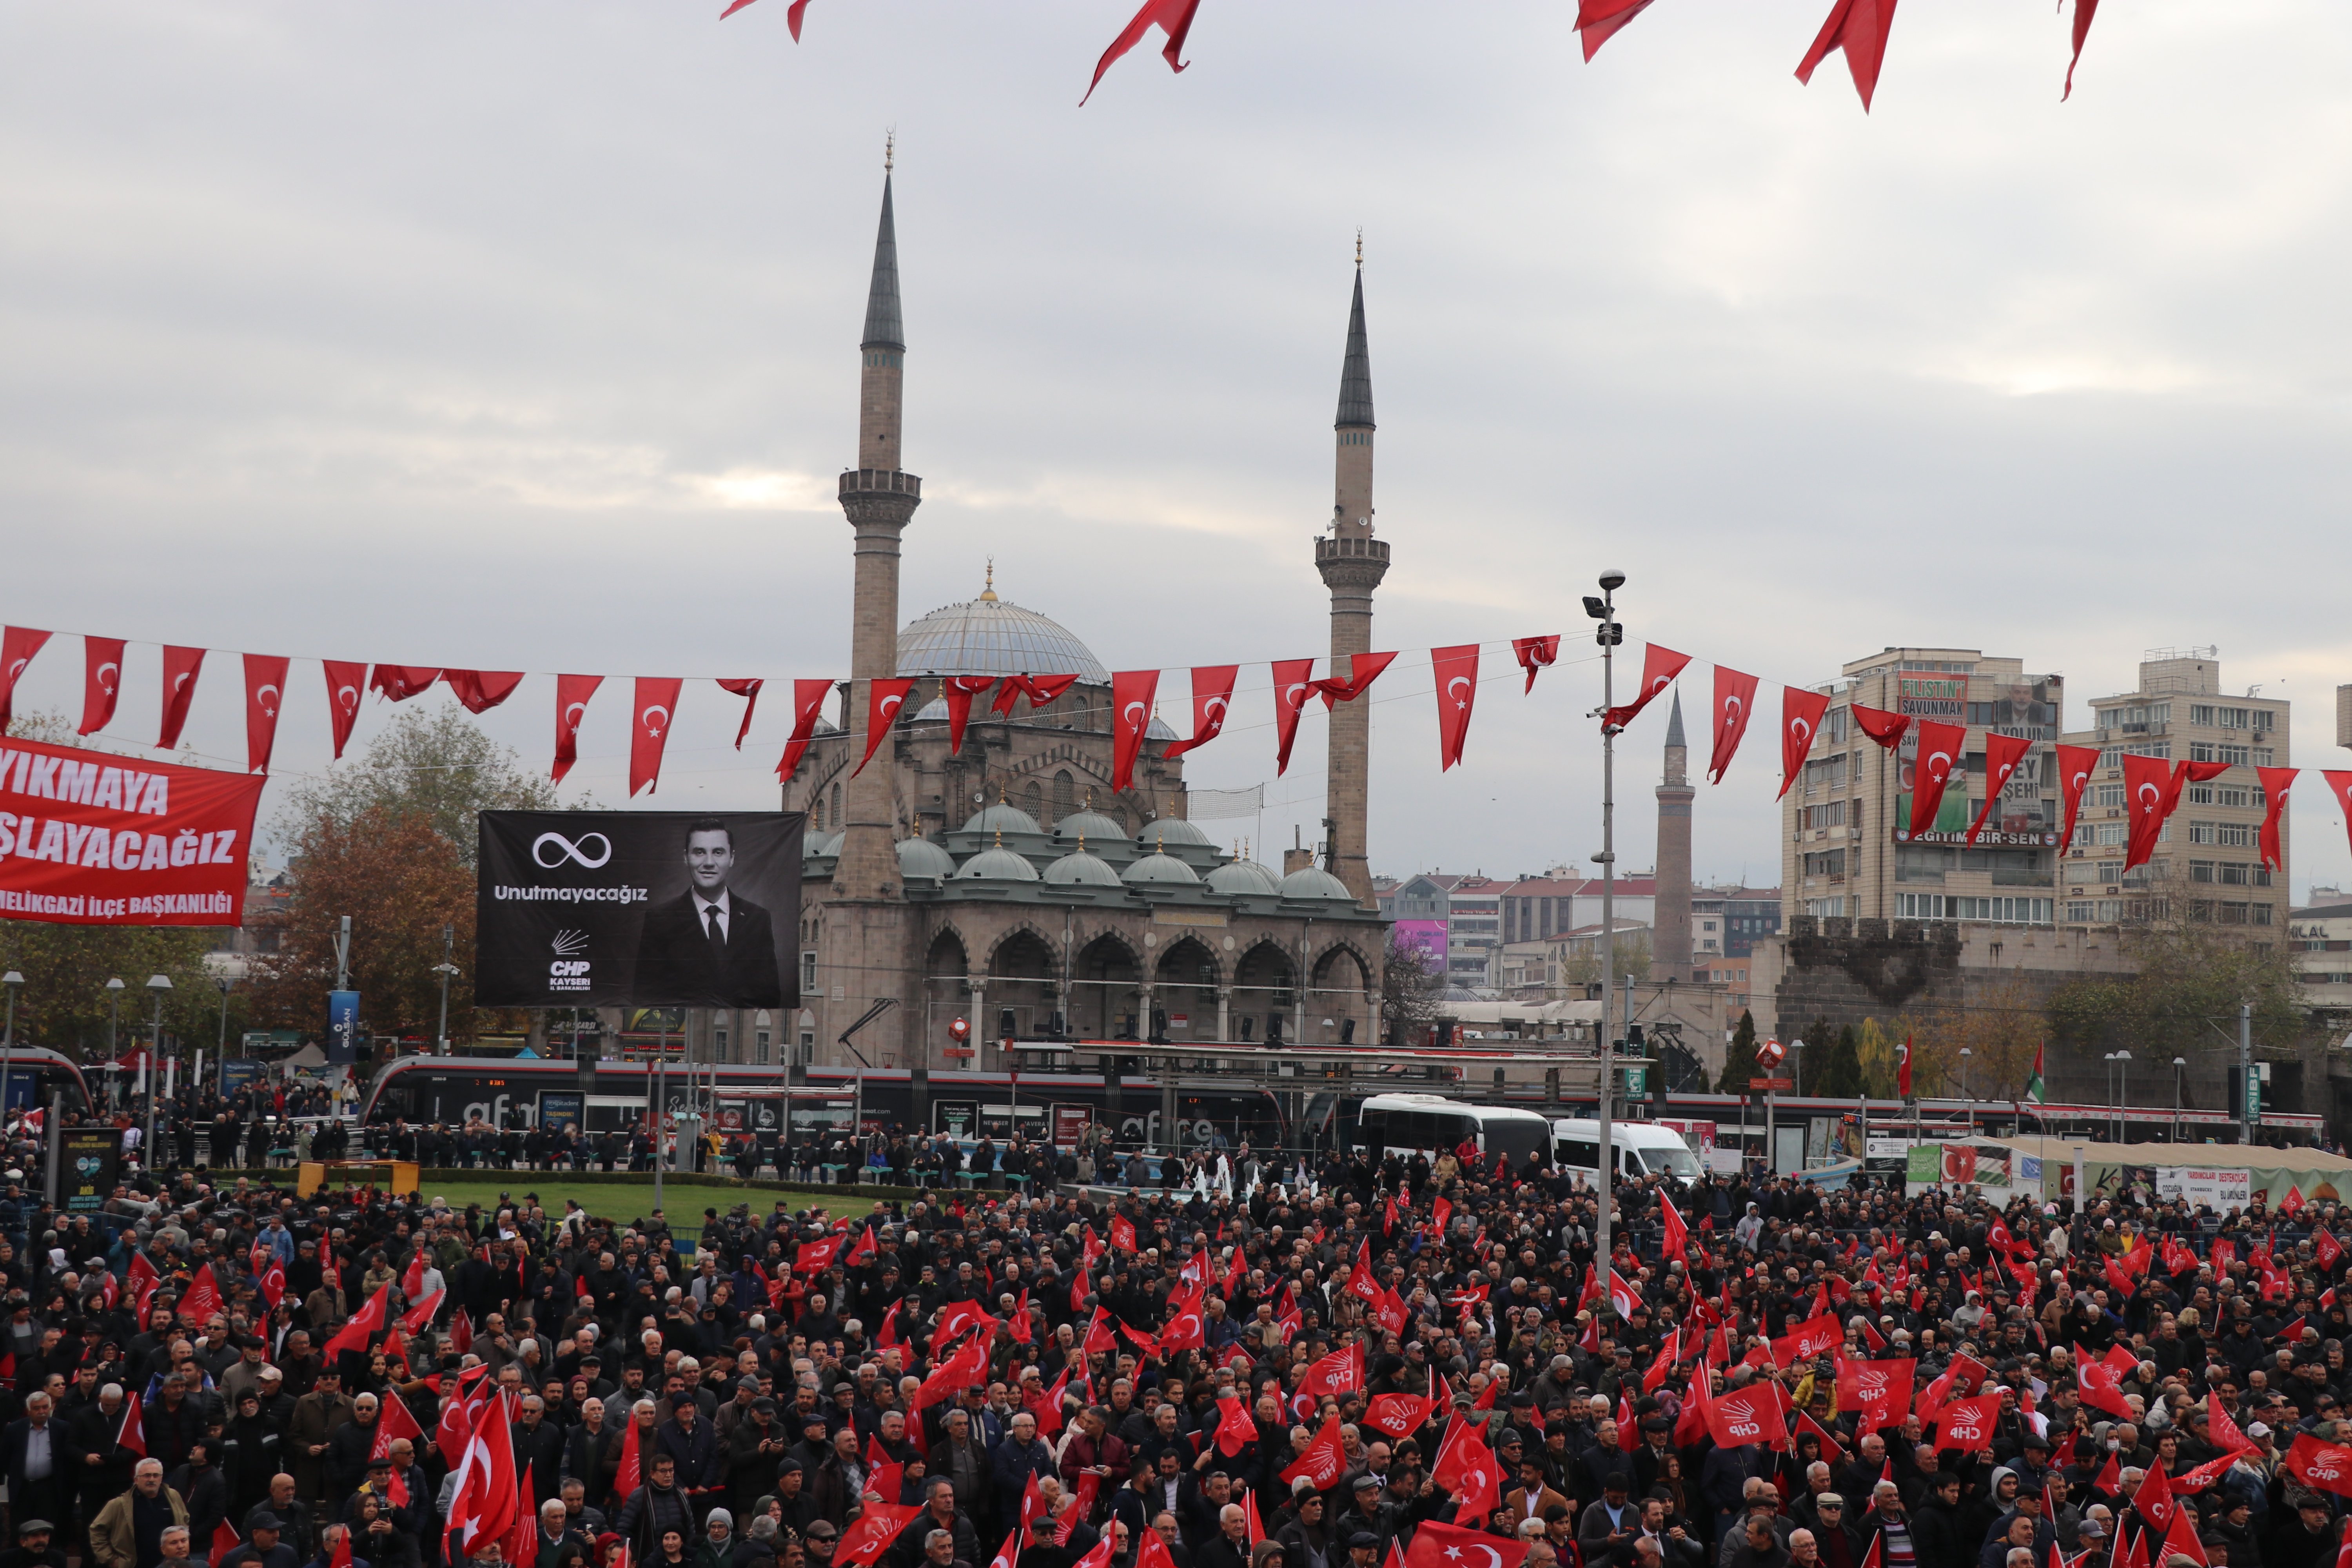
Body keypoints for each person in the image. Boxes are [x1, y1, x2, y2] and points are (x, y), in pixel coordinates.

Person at [630, 821, 783, 1007]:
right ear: (686, 857)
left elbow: (770, 994)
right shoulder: (660, 920)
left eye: (718, 852)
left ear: (732, 858)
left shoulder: (757, 918)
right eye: (700, 852)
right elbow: (645, 994)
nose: (709, 863)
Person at [91, 1460, 191, 1568]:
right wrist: (112, 1560)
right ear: (136, 1480)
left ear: (161, 1478)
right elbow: (97, 1531)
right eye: (147, 1476)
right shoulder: (119, 1504)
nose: (152, 1480)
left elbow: (185, 1521)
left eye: (156, 1475)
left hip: (169, 1565)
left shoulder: (173, 1496)